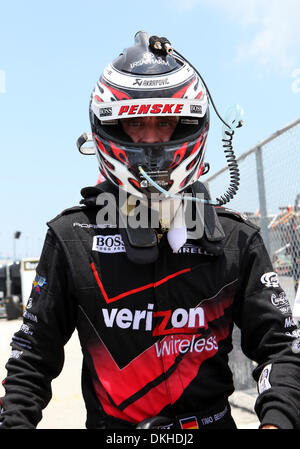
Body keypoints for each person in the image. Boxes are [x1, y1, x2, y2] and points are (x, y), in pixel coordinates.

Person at [1, 31, 300, 430]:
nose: (151, 139)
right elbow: (32, 358)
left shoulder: (235, 239)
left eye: (165, 121)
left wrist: (276, 423)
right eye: (134, 123)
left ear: (189, 123)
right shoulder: (72, 236)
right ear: (110, 129)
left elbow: (282, 349)